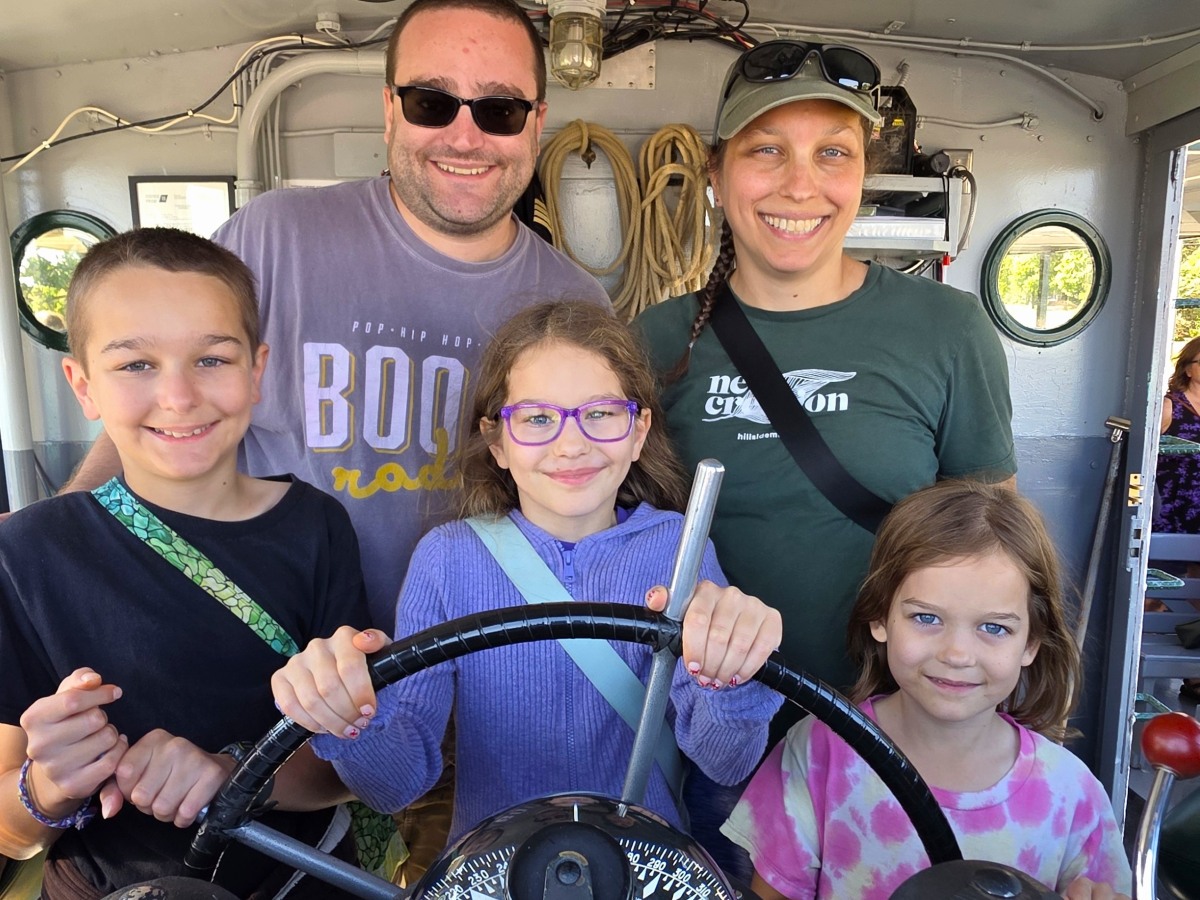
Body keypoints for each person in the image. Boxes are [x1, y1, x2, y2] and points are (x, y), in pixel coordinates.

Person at [62, 0, 609, 629]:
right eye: (431, 102)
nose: (466, 137)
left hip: (488, 668)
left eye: (500, 110)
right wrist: (65, 533)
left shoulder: (577, 304)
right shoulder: (272, 238)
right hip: (276, 655)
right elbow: (162, 404)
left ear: (536, 123)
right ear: (388, 111)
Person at [633, 42, 1016, 875]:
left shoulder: (949, 330)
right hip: (713, 736)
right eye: (766, 149)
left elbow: (994, 553)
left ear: (862, 173)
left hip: (891, 733)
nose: (799, 185)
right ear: (715, 173)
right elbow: (609, 538)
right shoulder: (655, 341)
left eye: (832, 153)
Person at [271, 301, 785, 850]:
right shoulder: (446, 560)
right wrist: (350, 718)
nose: (571, 443)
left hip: (645, 870)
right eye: (538, 418)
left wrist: (733, 673)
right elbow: (396, 785)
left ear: (639, 432)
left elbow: (724, 760)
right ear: (497, 443)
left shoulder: (679, 549)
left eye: (601, 413)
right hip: (494, 873)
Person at [0, 228, 368, 899]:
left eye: (212, 359)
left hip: (304, 879)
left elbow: (346, 769)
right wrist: (48, 785)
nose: (178, 397)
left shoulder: (318, 527)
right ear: (82, 386)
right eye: (136, 365)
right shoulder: (23, 557)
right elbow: (12, 834)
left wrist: (232, 775)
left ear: (257, 372)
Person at [721, 479, 1132, 900]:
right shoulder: (816, 753)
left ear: (1031, 643)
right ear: (879, 617)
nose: (957, 654)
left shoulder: (1073, 794)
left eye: (994, 627)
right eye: (926, 618)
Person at [1152, 336, 1200, 702]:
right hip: (1173, 510)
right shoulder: (1170, 406)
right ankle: (1148, 659)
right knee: (1162, 591)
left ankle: (1194, 674)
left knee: (1199, 597)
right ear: (1188, 367)